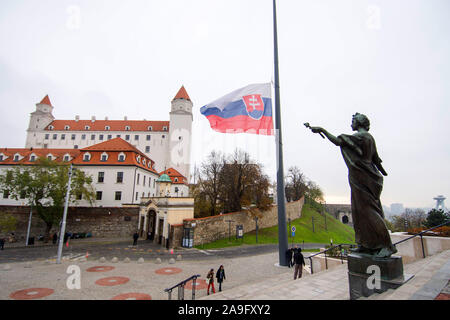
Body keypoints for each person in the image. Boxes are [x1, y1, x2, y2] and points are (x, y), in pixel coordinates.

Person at [307, 113, 397, 258]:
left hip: (363, 177)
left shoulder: (362, 136)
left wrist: (322, 130)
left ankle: (387, 245)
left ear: (360, 122)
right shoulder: (368, 138)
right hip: (361, 177)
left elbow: (338, 141)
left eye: (353, 121)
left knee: (369, 212)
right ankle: (366, 245)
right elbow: (376, 160)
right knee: (358, 212)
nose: (351, 124)